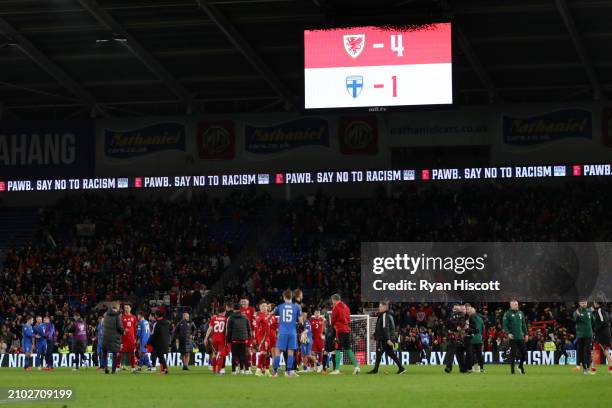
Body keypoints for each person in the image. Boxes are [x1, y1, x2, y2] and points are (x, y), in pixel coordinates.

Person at [368, 301, 405, 375]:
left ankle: (375, 370)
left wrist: (388, 339)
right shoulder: (387, 315)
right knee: (390, 353)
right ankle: (401, 368)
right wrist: (375, 335)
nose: (379, 308)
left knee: (379, 353)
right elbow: (382, 328)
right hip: (386, 337)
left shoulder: (385, 315)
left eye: (380, 306)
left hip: (384, 338)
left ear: (384, 307)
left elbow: (386, 328)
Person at [272, 289, 301, 377]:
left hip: (282, 332)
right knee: (290, 352)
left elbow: (272, 315)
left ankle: (275, 372)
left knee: (278, 352)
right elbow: (300, 321)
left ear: (284, 297)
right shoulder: (296, 307)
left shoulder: (280, 306)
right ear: (291, 297)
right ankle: (288, 372)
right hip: (292, 333)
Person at [330, 293, 360, 375]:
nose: (332, 303)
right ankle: (356, 367)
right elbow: (348, 318)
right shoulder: (346, 307)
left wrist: (332, 326)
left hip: (339, 330)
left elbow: (333, 319)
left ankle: (337, 369)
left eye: (332, 301)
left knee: (337, 348)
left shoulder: (336, 307)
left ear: (334, 300)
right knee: (348, 348)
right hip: (347, 330)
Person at [502, 300, 528, 375]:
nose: (517, 305)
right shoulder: (507, 314)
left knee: (524, 352)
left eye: (517, 304)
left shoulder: (520, 313)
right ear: (511, 305)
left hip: (520, 336)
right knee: (513, 354)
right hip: (512, 337)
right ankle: (512, 371)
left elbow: (523, 324)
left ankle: (520, 366)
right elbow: (505, 325)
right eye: (515, 304)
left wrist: (526, 334)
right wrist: (508, 333)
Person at [226, 303, 252, 375]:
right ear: (240, 309)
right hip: (244, 339)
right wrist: (248, 337)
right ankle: (245, 370)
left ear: (233, 309)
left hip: (234, 339)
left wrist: (228, 340)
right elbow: (248, 328)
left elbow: (229, 330)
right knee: (243, 354)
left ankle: (234, 370)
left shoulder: (230, 318)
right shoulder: (245, 317)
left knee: (234, 355)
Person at [102, 301, 125, 375]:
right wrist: (123, 331)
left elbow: (103, 325)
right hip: (114, 338)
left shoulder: (105, 315)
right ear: (117, 307)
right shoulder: (117, 316)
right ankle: (113, 370)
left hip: (105, 337)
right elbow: (119, 327)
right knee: (115, 354)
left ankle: (105, 367)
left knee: (105, 353)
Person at [444, 304, 468, 373]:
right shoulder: (460, 316)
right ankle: (462, 368)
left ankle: (450, 367)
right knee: (458, 353)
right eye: (454, 309)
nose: (454, 310)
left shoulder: (453, 317)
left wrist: (449, 331)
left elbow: (461, 325)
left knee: (454, 353)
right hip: (457, 336)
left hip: (457, 336)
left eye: (455, 309)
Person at [573, 299, 595, 375]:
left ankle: (587, 368)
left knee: (587, 351)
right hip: (580, 335)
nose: (584, 304)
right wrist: (578, 316)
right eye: (582, 303)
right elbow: (575, 320)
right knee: (581, 351)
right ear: (579, 304)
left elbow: (593, 321)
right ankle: (582, 367)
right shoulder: (576, 312)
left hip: (589, 335)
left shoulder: (589, 311)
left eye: (585, 302)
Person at [205, 306, 228, 374]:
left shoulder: (213, 318)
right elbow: (226, 330)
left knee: (214, 354)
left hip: (214, 338)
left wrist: (206, 338)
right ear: (224, 312)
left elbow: (210, 329)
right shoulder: (226, 319)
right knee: (221, 354)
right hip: (222, 339)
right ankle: (219, 370)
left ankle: (214, 370)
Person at [147, 309, 171, 375]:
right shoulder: (167, 322)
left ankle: (164, 370)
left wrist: (148, 342)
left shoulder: (157, 323)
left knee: (159, 356)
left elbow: (153, 334)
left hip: (158, 343)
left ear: (156, 315)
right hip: (165, 342)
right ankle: (164, 369)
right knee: (161, 356)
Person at [592, 301, 612, 374]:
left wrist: (595, 329)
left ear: (597, 304)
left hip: (601, 336)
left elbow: (603, 321)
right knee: (606, 351)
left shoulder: (599, 310)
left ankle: (593, 369)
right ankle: (610, 369)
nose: (593, 304)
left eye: (594, 302)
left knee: (596, 352)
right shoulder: (603, 310)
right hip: (606, 334)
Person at [118, 304, 138, 372]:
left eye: (127, 308)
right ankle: (118, 366)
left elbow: (135, 329)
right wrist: (123, 330)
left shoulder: (134, 317)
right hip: (123, 339)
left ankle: (133, 367)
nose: (126, 309)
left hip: (131, 339)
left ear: (130, 308)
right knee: (121, 352)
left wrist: (135, 338)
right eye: (125, 308)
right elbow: (119, 328)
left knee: (132, 353)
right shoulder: (121, 317)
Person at [254, 302, 270, 376]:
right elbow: (256, 324)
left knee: (267, 354)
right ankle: (258, 370)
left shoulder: (268, 315)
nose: (264, 307)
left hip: (268, 337)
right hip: (262, 337)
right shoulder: (260, 315)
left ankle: (266, 370)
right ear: (260, 308)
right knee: (263, 352)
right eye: (262, 306)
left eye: (265, 306)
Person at [239, 298, 256, 371]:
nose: (243, 303)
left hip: (249, 332)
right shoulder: (239, 310)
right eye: (242, 301)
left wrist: (253, 330)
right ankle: (241, 365)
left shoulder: (251, 309)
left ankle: (250, 365)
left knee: (249, 349)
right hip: (241, 332)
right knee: (242, 349)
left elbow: (254, 320)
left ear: (248, 302)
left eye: (245, 301)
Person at [468, 306, 485, 373]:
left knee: (470, 354)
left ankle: (470, 368)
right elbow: (483, 329)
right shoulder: (480, 319)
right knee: (479, 354)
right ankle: (481, 368)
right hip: (479, 338)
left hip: (471, 339)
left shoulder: (469, 319)